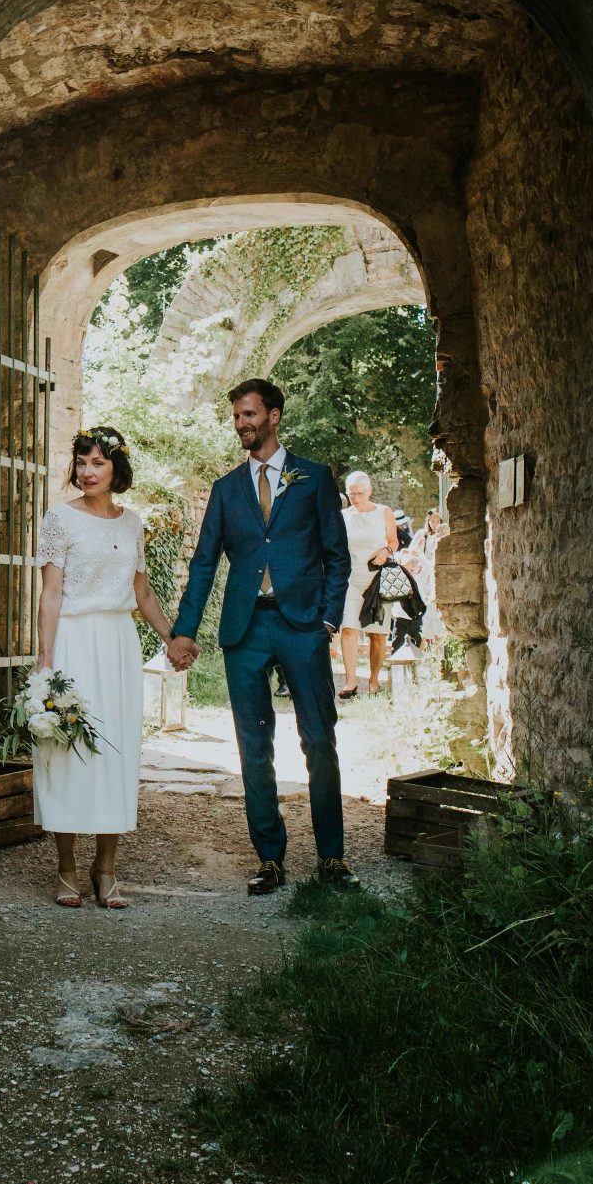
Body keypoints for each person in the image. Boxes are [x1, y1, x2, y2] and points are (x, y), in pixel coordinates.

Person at [166, 379, 358, 895]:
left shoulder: (314, 478)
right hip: (245, 628)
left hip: (302, 627)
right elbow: (205, 562)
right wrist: (184, 630)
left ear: (274, 415)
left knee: (319, 741)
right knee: (254, 746)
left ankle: (332, 858)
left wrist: (327, 622)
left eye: (249, 415)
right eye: (236, 418)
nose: (241, 425)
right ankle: (270, 859)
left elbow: (337, 557)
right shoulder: (228, 489)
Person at [33, 424, 179, 911]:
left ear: (117, 468)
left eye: (97, 462)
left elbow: (142, 593)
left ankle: (107, 868)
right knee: (67, 749)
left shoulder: (132, 523)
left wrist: (171, 638)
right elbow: (51, 593)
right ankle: (68, 868)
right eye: (81, 462)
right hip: (74, 641)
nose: (87, 471)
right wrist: (45, 661)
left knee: (115, 751)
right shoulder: (60, 519)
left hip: (117, 645)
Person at [339, 470, 400, 698]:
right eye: (351, 494)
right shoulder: (344, 516)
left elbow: (394, 541)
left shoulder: (384, 512)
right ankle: (350, 682)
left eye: (360, 493)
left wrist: (386, 550)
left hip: (377, 579)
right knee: (348, 629)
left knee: (378, 634)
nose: (355, 498)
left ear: (370, 491)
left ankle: (373, 681)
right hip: (351, 578)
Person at [408, 506, 446, 645]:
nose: (435, 524)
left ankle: (436, 642)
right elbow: (411, 552)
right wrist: (418, 547)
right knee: (424, 607)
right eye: (432, 521)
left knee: (434, 609)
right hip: (423, 575)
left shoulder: (442, 535)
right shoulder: (422, 534)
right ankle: (423, 641)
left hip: (435, 573)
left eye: (437, 521)